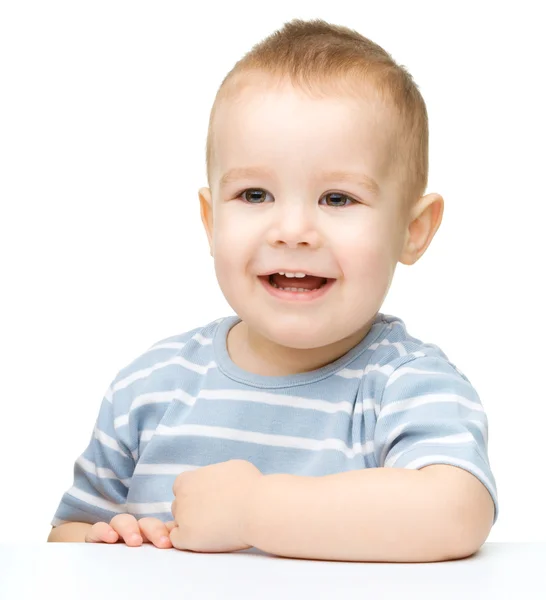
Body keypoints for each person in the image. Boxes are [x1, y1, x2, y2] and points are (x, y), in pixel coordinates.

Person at [47, 18, 498, 562]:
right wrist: (111, 542)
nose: (291, 230)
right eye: (255, 193)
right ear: (211, 220)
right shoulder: (149, 390)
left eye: (337, 198)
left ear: (413, 230)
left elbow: (454, 515)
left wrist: (253, 510)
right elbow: (64, 542)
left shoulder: (405, 387)